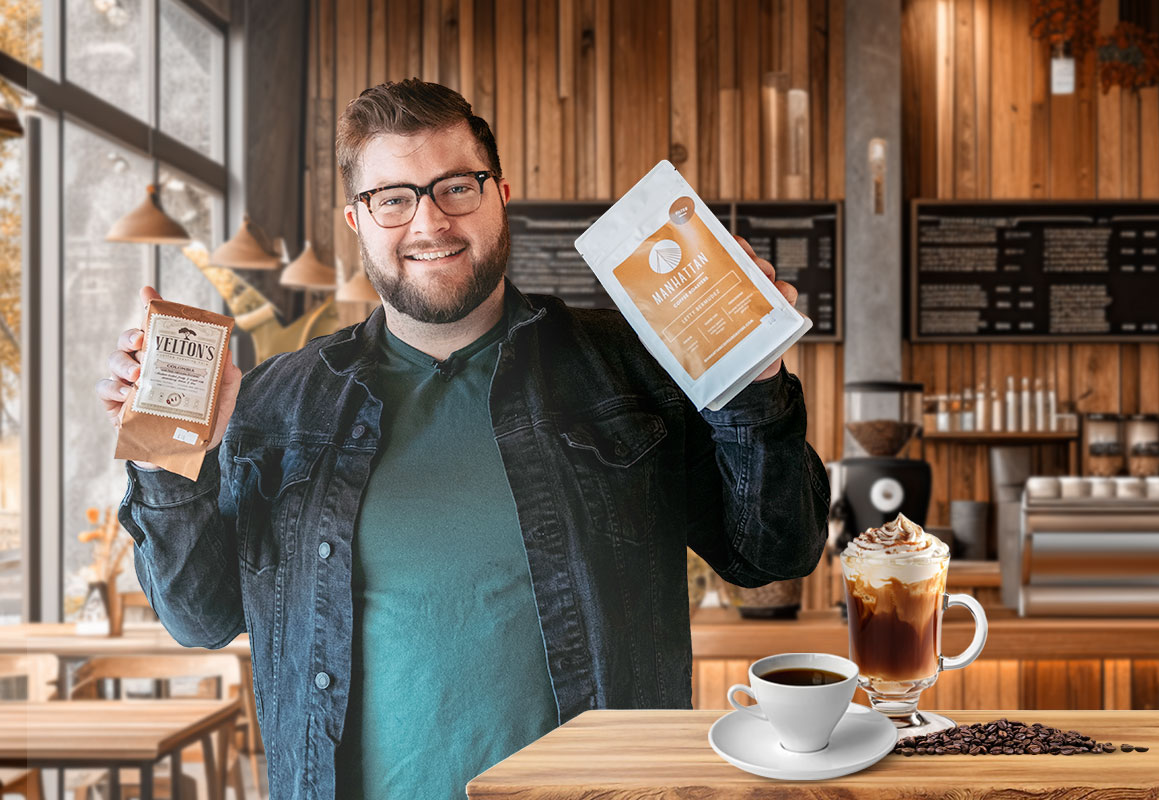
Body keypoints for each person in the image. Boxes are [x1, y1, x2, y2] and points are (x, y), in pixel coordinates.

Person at [97, 78, 830, 800]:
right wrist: (172, 452)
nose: (429, 223)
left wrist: (753, 381)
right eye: (394, 198)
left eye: (456, 187)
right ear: (356, 222)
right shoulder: (276, 402)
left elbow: (772, 554)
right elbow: (199, 618)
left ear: (499, 195)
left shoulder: (630, 365)